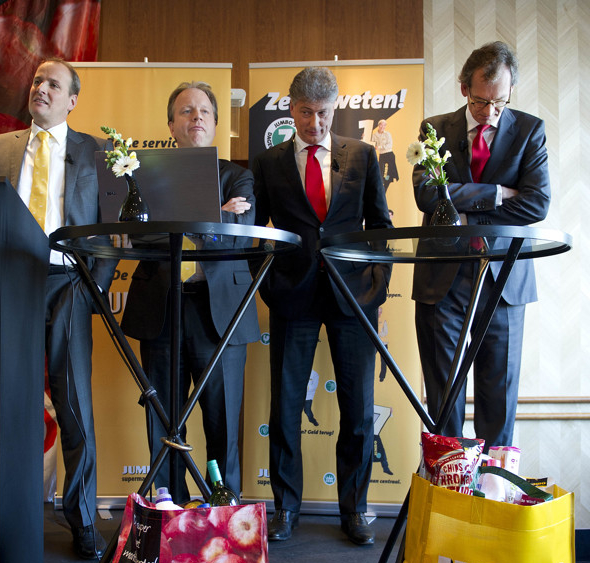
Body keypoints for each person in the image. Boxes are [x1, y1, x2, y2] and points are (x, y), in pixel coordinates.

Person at [0, 57, 116, 560]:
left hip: (67, 284)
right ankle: (4, 517)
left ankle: (81, 521)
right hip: (11, 286)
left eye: (53, 84)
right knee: (6, 406)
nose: (42, 89)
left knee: (74, 405)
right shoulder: (1, 148)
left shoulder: (94, 151)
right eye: (37, 81)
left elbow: (108, 229)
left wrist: (92, 287)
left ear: (72, 100)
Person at [252, 66, 393, 546]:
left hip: (354, 299)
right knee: (286, 408)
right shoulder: (268, 162)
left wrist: (377, 288)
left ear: (336, 109)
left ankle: (354, 510)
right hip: (292, 296)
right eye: (307, 113)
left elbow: (381, 226)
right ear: (291, 109)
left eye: (325, 113)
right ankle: (285, 509)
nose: (316, 123)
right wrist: (265, 283)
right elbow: (257, 233)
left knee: (358, 411)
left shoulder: (363, 155)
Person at [120, 82, 258, 502]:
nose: (196, 117)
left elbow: (237, 241)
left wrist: (176, 223)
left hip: (220, 315)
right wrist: (214, 216)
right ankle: (168, 511)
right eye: (186, 111)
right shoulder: (145, 176)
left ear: (216, 125)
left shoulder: (239, 176)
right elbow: (140, 239)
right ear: (170, 124)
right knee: (163, 424)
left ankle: (224, 516)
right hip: (162, 310)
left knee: (223, 423)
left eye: (204, 112)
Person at [412, 41, 550, 449]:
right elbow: (426, 197)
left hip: (504, 280)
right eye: (480, 101)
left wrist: (462, 206)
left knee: (498, 400)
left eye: (500, 103)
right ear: (463, 88)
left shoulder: (530, 130)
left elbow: (537, 203)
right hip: (443, 279)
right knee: (444, 398)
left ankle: (492, 497)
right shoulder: (434, 129)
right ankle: (451, 497)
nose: (489, 113)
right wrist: (497, 194)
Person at [370, 119, 398, 187]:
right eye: (381, 125)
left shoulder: (387, 134)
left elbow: (389, 145)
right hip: (382, 155)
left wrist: (379, 147)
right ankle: (383, 185)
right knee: (381, 172)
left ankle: (386, 183)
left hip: (389, 154)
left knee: (388, 174)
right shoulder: (374, 135)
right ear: (378, 125)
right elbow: (371, 143)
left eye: (384, 125)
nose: (382, 126)